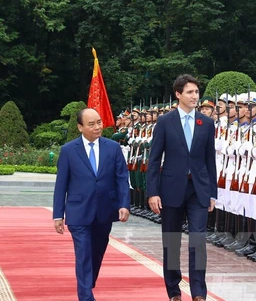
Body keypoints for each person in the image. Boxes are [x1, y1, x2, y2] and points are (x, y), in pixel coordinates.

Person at [146, 74, 217, 301]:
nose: (195, 96)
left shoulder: (206, 123)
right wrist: (153, 192)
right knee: (172, 242)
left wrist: (212, 193)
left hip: (198, 190)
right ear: (178, 94)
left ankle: (198, 292)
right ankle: (174, 291)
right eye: (189, 92)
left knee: (198, 240)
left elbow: (210, 161)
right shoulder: (165, 122)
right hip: (171, 189)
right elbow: (154, 159)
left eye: (196, 92)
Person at [52, 108, 130, 301]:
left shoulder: (113, 147)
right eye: (91, 124)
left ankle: (88, 283)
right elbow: (61, 184)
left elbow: (122, 178)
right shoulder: (69, 150)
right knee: (84, 253)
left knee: (97, 252)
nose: (97, 127)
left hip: (105, 210)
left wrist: (124, 204)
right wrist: (57, 214)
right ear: (80, 127)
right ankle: (85, 296)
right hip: (79, 211)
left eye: (99, 122)